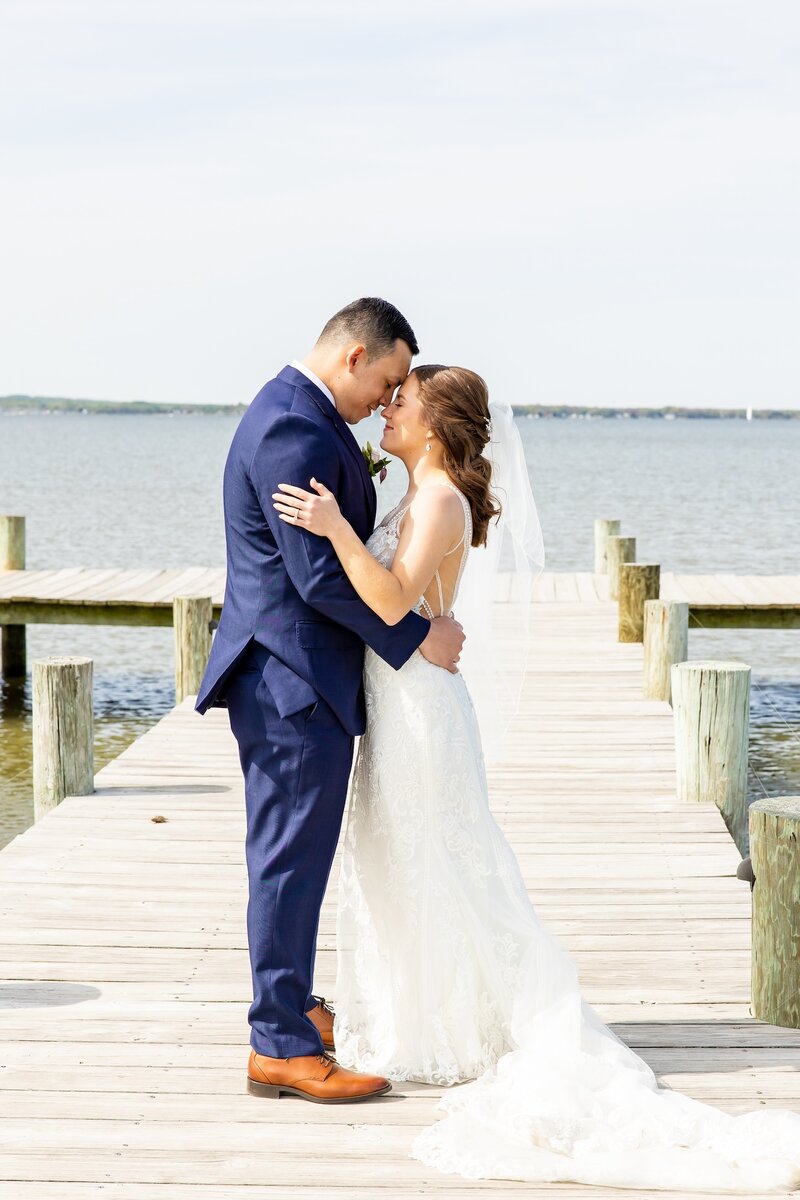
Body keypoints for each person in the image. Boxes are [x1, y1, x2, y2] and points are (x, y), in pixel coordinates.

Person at [273, 363, 800, 1193]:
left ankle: (454, 1029)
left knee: (438, 864)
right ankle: (414, 1016)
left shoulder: (441, 498)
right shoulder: (422, 491)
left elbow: (386, 600)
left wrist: (337, 527)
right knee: (399, 865)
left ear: (437, 426)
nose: (387, 407)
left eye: (400, 401)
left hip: (420, 715)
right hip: (403, 701)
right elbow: (404, 609)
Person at [194, 299, 466, 1104]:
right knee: (286, 859)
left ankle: (298, 1006)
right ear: (354, 356)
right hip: (289, 679)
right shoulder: (294, 426)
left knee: (299, 856)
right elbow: (315, 578)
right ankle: (277, 1042)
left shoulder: (303, 415)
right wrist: (415, 640)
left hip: (300, 676)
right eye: (384, 380)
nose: (386, 402)